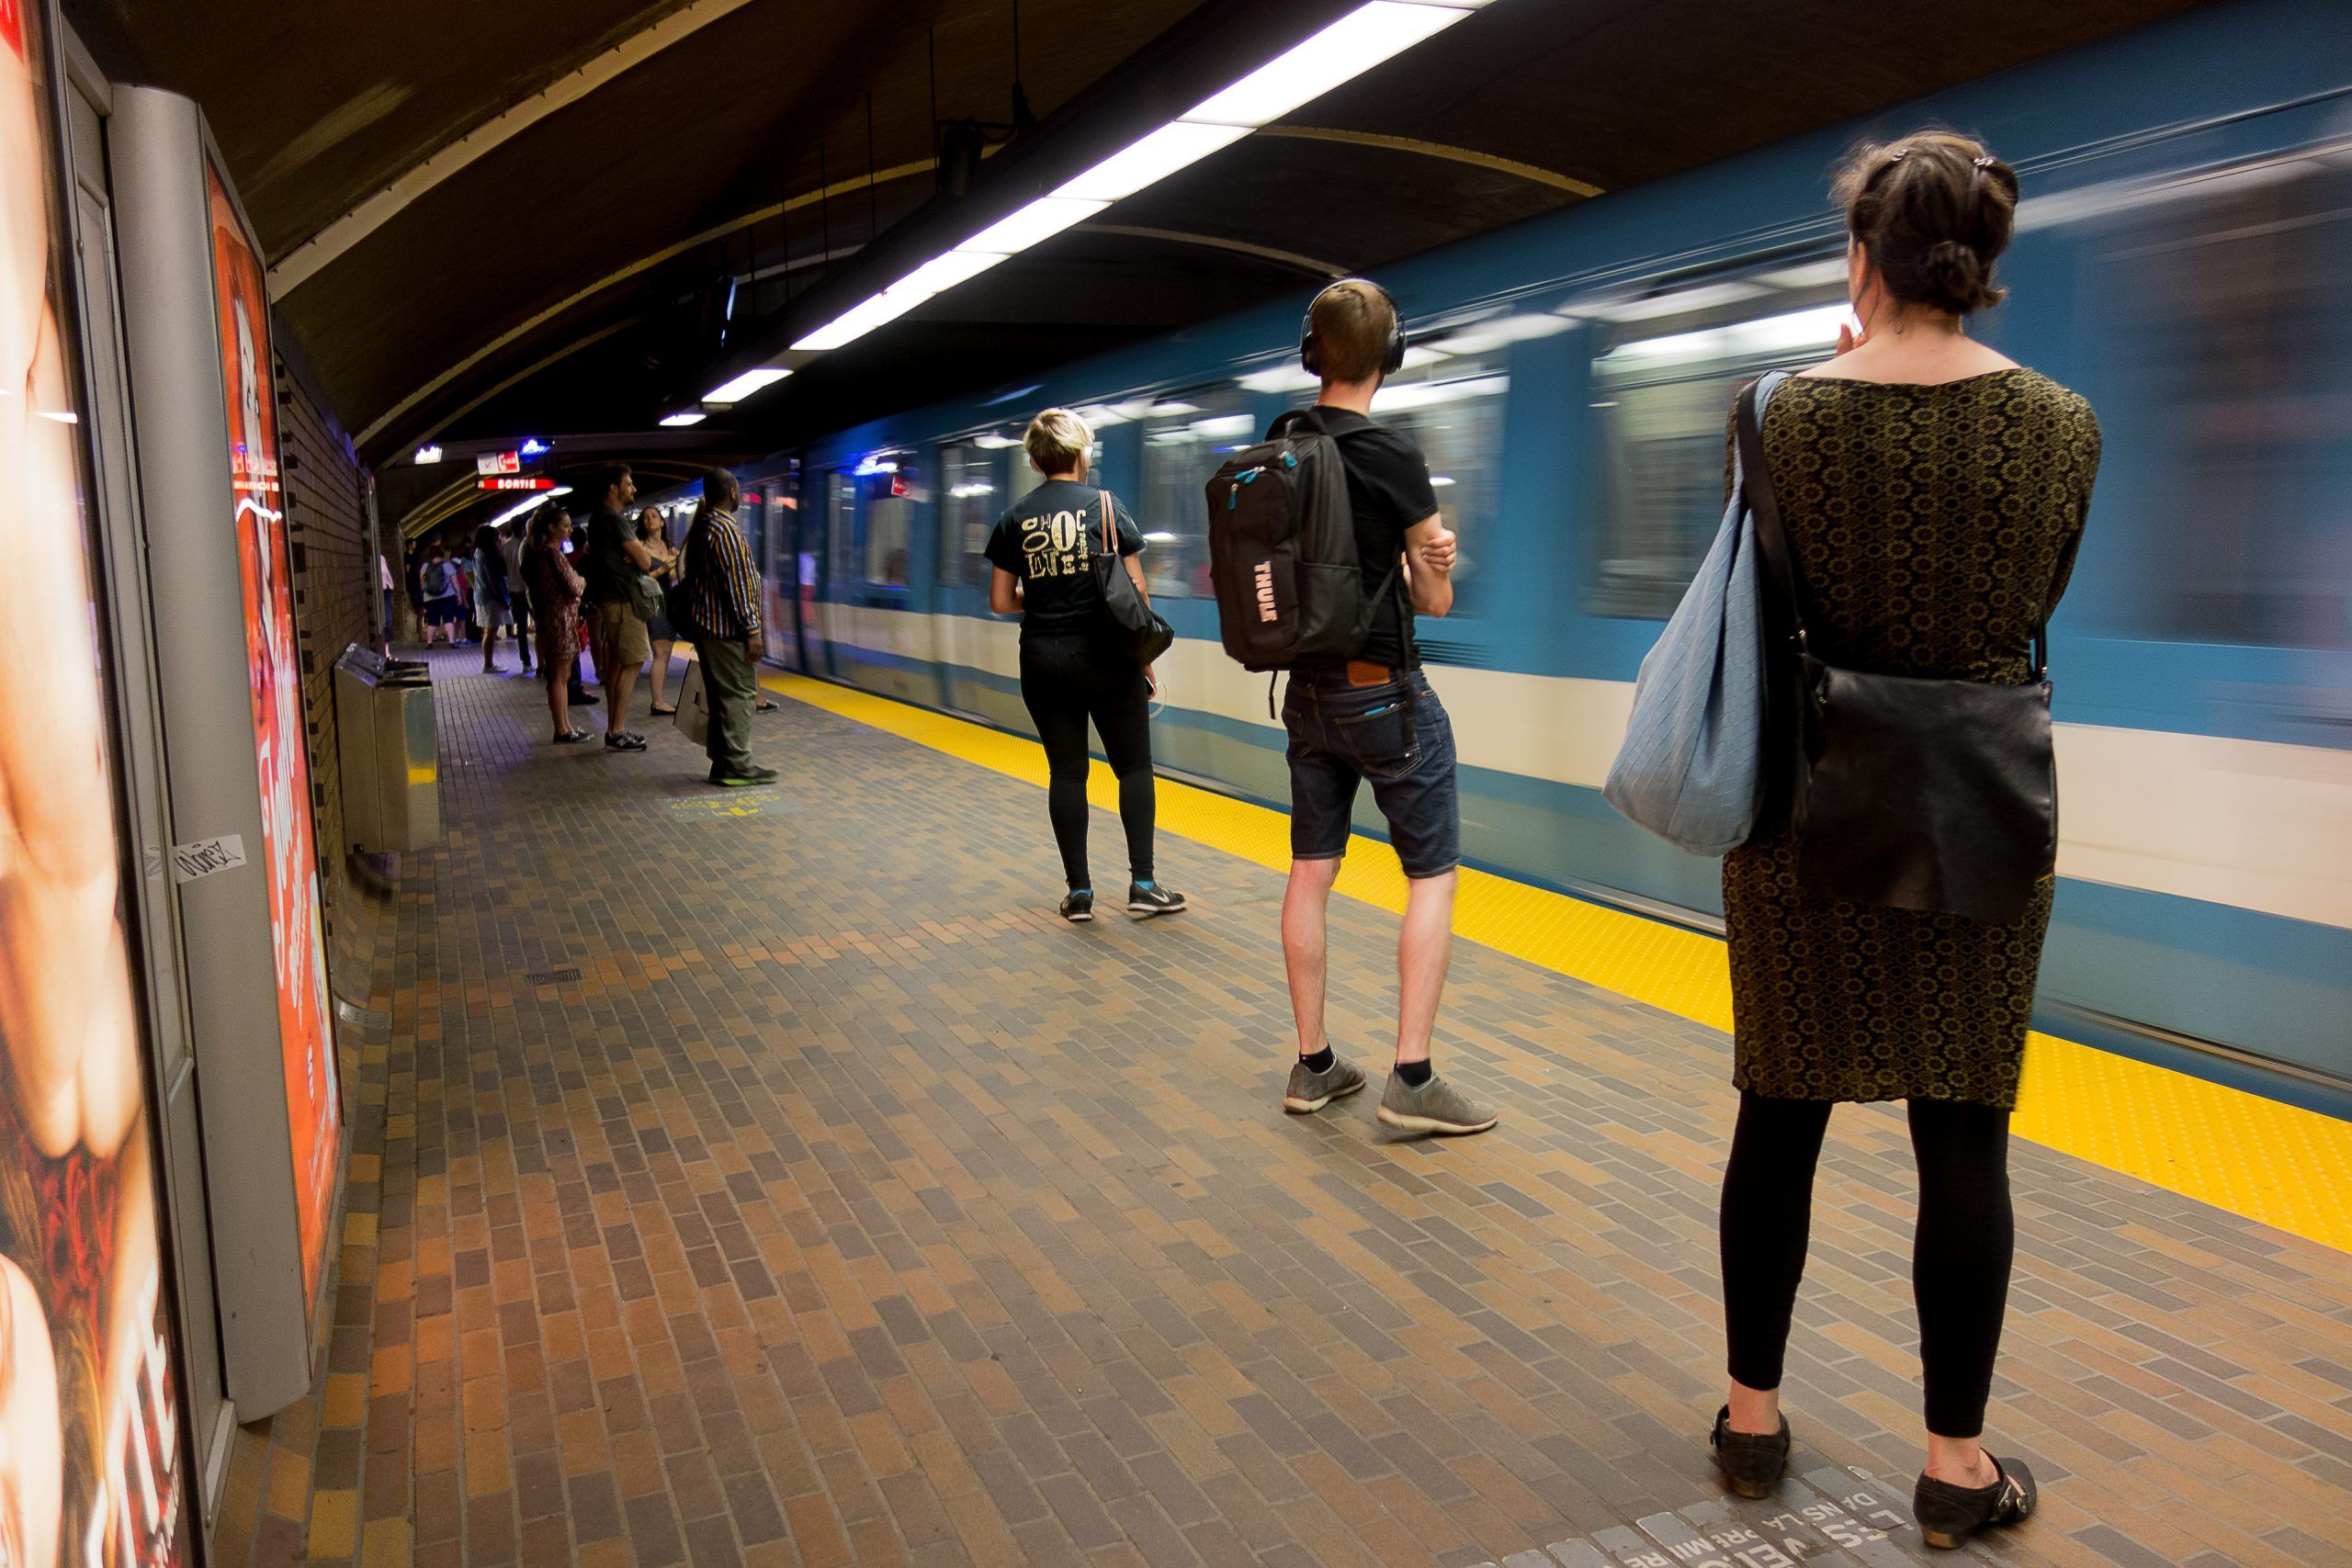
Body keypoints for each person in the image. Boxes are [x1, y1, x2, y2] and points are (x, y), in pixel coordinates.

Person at [1706, 132, 2099, 1551]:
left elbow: (1765, 586)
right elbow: (2035, 598)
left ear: (1865, 258)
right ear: (1981, 266)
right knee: (1965, 1140)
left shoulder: (1773, 415)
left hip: (1805, 810)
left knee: (1780, 1116)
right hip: (1979, 810)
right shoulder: (2065, 425)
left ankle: (1752, 1427)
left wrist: (1810, 385)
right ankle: (1954, 1464)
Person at [1273, 279, 1490, 1137]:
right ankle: (1413, 1076)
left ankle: (1314, 1064)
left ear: (1311, 351)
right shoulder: (1392, 455)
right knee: (1429, 876)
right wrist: (1435, 556)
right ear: (1388, 357)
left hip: (1306, 695)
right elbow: (1433, 601)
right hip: (1383, 696)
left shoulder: (1282, 441)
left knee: (1311, 869)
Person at [985, 409, 1183, 923]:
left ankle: (1080, 894)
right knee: (1133, 767)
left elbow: (1002, 602)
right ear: (1081, 455)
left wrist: (1049, 596)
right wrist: (1141, 655)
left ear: (1033, 459)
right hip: (1107, 655)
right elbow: (1135, 590)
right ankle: (1142, 883)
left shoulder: (1015, 517)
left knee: (1068, 772)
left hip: (1043, 659)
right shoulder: (1106, 508)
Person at [679, 469, 777, 787]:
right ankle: (737, 764)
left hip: (709, 630)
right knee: (740, 694)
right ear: (732, 492)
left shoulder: (704, 527)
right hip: (726, 631)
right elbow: (738, 585)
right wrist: (753, 630)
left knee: (723, 696)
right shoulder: (725, 531)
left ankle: (723, 763)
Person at [580, 465, 652, 751]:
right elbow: (645, 562)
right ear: (613, 487)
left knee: (615, 662)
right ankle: (617, 730)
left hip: (611, 598)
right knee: (632, 660)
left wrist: (633, 554)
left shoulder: (598, 519)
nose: (633, 489)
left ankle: (614, 727)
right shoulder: (614, 519)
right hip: (623, 599)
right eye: (629, 483)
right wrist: (637, 554)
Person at [522, 506, 592, 743]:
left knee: (558, 676)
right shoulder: (552, 554)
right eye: (565, 525)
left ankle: (565, 725)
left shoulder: (536, 554)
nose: (569, 530)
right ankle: (561, 729)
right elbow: (573, 587)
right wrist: (580, 580)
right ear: (551, 528)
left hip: (550, 619)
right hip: (561, 620)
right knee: (560, 677)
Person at [636, 506, 682, 716]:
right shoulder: (641, 548)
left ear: (662, 522)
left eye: (654, 516)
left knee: (666, 653)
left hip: (670, 602)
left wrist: (675, 565)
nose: (650, 520)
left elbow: (673, 578)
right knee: (660, 652)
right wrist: (664, 567)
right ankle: (657, 702)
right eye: (645, 518)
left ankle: (659, 699)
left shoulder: (669, 547)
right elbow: (640, 581)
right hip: (653, 604)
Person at [472, 523, 512, 673]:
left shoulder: (478, 552)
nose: (499, 540)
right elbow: (494, 579)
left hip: (481, 595)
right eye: (497, 538)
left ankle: (488, 663)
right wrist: (504, 599)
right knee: (490, 630)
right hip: (490, 598)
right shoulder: (488, 555)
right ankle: (488, 665)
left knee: (488, 631)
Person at [499, 518, 535, 675]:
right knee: (540, 624)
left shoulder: (504, 548)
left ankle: (525, 662)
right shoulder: (527, 545)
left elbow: (503, 571)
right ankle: (543, 661)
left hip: (513, 590)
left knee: (520, 627)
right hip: (528, 589)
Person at [418, 543, 460, 644]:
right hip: (447, 596)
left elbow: (422, 582)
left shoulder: (425, 566)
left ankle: (429, 643)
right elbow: (455, 582)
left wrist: (425, 592)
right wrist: (458, 595)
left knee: (432, 621)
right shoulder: (447, 565)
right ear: (441, 554)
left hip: (430, 597)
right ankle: (451, 642)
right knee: (448, 619)